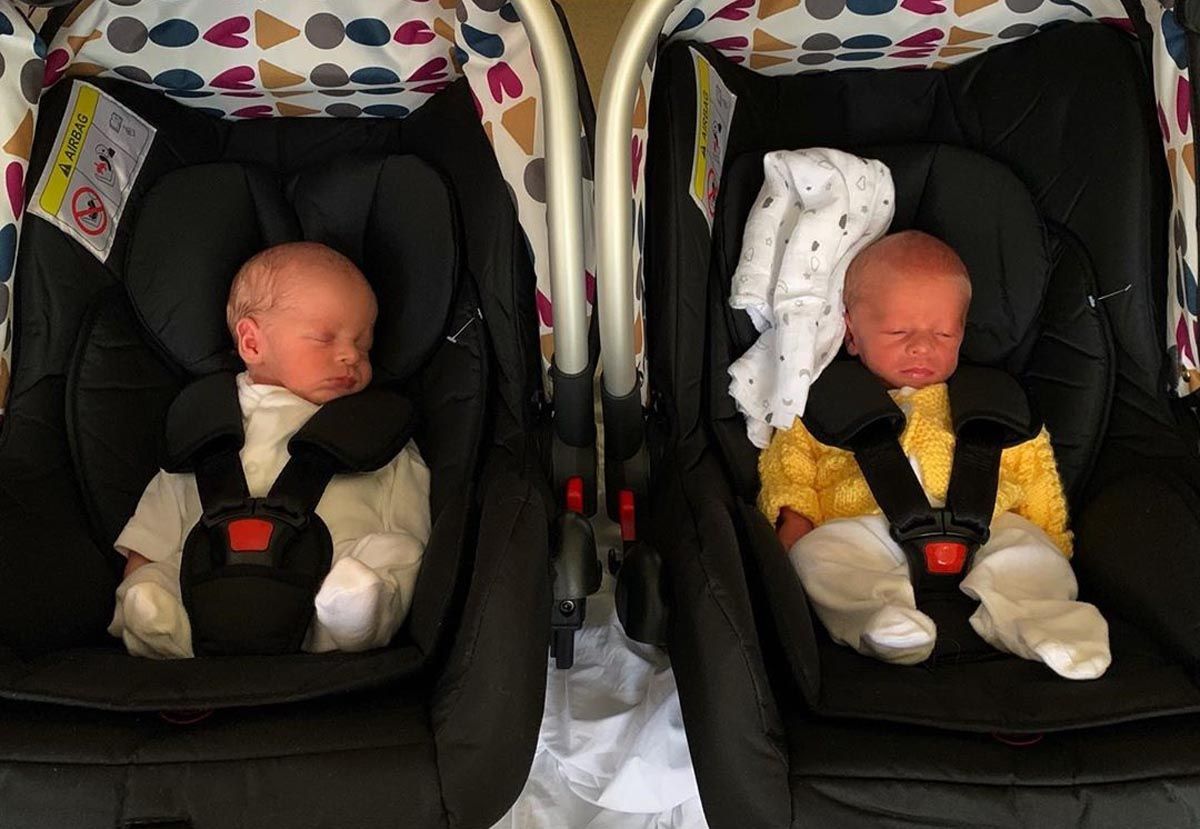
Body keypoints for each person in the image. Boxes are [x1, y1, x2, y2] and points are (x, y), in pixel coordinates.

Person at [758, 230, 1111, 679]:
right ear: (851, 334)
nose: (922, 346)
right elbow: (788, 467)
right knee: (819, 557)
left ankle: (1044, 623)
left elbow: (1038, 478)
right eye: (899, 332)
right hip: (866, 528)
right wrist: (795, 519)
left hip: (989, 525)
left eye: (943, 334)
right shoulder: (824, 402)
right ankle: (880, 620)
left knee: (1031, 556)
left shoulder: (995, 402)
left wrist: (1049, 539)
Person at [108, 241, 430, 658]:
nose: (351, 355)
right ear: (253, 343)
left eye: (364, 344)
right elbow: (166, 500)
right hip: (207, 582)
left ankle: (355, 619)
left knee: (398, 552)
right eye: (325, 338)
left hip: (328, 586)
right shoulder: (208, 418)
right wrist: (140, 567)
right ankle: (158, 622)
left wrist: (405, 543)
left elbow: (409, 513)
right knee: (154, 580)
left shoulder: (376, 427)